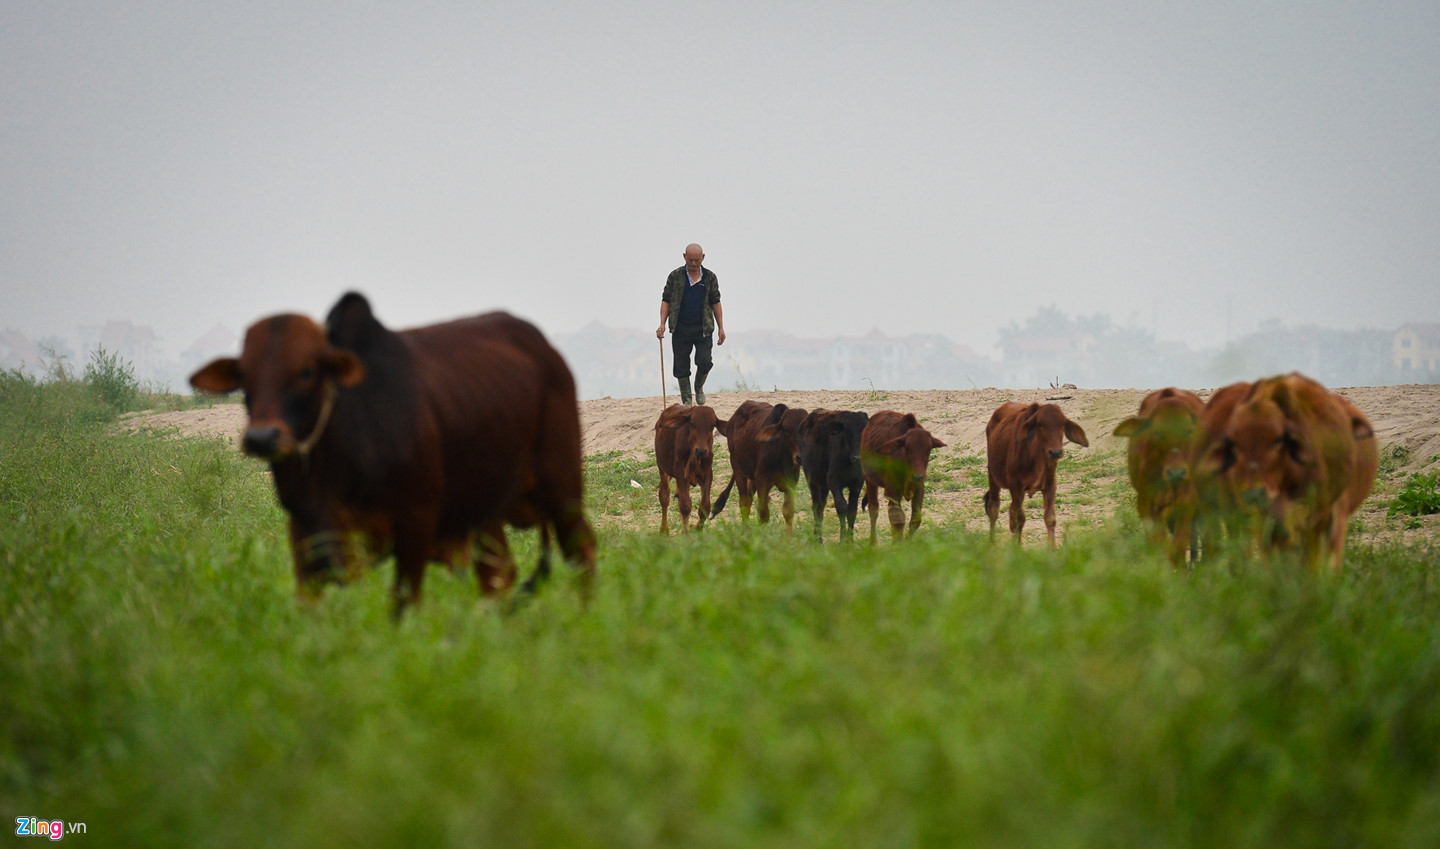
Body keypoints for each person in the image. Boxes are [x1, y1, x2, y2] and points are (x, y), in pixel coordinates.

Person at [657, 243, 725, 405]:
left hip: (703, 328)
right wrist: (662, 324)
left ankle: (699, 387)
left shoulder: (710, 277)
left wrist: (721, 327)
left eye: (697, 260)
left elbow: (716, 302)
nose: (693, 264)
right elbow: (666, 300)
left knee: (705, 361)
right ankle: (687, 400)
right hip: (680, 328)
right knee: (681, 366)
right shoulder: (675, 276)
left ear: (703, 258)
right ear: (684, 257)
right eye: (690, 260)